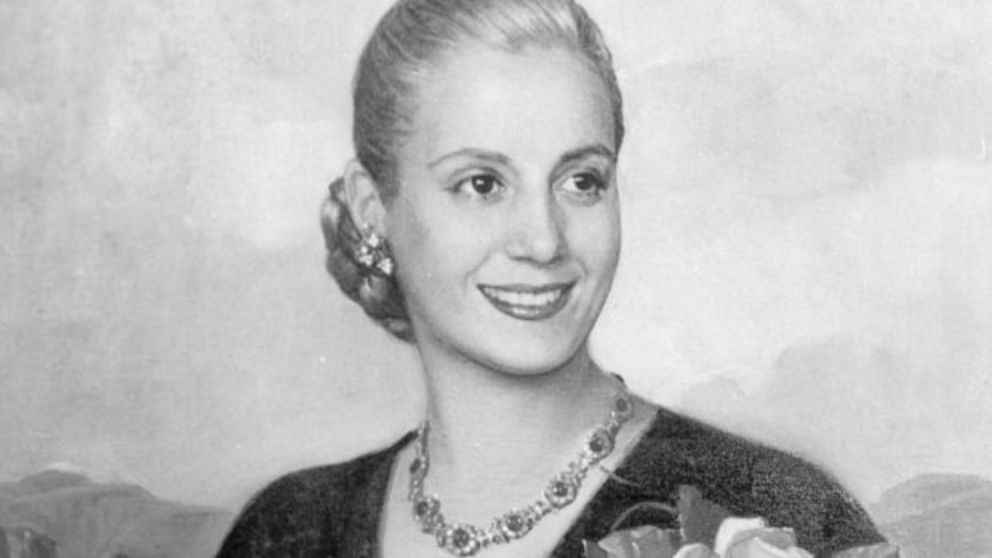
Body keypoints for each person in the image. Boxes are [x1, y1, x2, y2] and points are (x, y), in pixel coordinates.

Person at [215, 1, 893, 556]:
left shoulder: (776, 513)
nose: (543, 241)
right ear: (373, 208)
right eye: (482, 183)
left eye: (581, 181)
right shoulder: (288, 532)